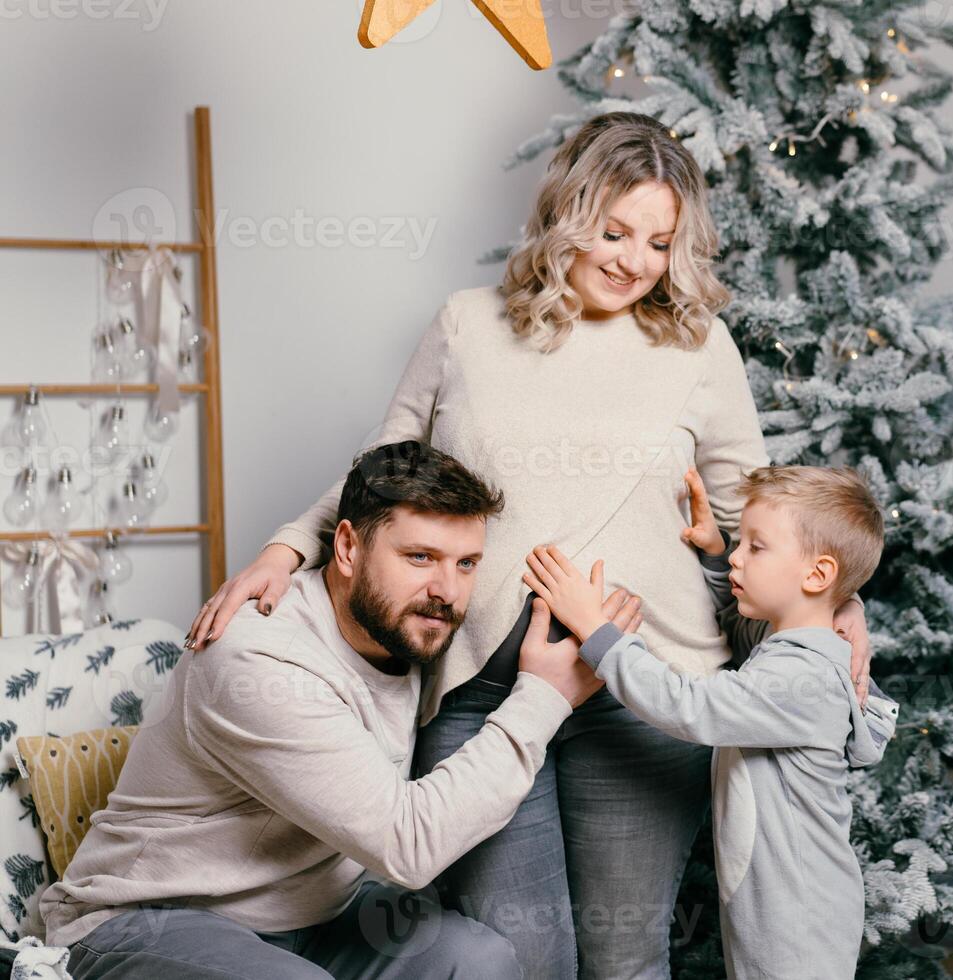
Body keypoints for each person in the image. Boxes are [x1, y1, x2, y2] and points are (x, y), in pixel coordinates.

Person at [183, 112, 875, 977]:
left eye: (659, 243)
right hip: (480, 687)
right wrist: (288, 548)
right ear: (566, 215)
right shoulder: (467, 325)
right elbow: (385, 471)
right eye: (614, 232)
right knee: (518, 959)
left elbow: (760, 515)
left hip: (644, 693)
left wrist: (838, 602)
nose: (633, 261)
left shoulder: (698, 347)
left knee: (626, 958)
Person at [40, 441, 637, 980]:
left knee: (479, 960)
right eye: (420, 557)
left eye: (466, 564)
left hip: (316, 920)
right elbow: (408, 843)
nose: (447, 592)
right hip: (148, 920)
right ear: (347, 546)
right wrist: (545, 696)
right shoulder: (256, 657)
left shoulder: (411, 626)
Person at [522, 464, 899, 979]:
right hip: (780, 901)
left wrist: (597, 628)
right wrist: (719, 558)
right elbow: (746, 631)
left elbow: (688, 706)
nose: (740, 553)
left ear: (817, 575)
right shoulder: (792, 650)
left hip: (799, 913)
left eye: (756, 547)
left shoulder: (801, 678)